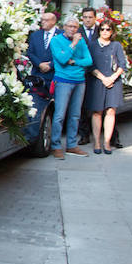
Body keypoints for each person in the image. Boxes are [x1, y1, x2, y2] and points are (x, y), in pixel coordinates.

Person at [49, 16, 93, 159]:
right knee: (60, 115)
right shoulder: (56, 40)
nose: (72, 29)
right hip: (63, 81)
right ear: (64, 27)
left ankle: (72, 145)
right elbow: (61, 60)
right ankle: (55, 146)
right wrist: (73, 44)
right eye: (69, 26)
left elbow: (89, 60)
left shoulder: (82, 42)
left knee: (75, 115)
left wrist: (74, 62)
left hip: (80, 81)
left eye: (75, 27)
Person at [87, 22, 127, 154]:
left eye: (108, 29)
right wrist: (103, 78)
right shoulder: (92, 45)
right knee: (97, 111)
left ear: (112, 31)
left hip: (113, 81)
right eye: (102, 29)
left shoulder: (116, 45)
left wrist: (112, 78)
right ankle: (97, 142)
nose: (105, 31)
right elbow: (89, 65)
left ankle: (107, 142)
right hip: (97, 81)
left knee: (111, 111)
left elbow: (122, 64)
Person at [77, 8, 99, 146]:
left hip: (99, 71)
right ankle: (84, 135)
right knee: (83, 106)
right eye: (85, 17)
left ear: (95, 18)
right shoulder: (77, 32)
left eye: (90, 17)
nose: (87, 19)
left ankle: (113, 136)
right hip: (83, 72)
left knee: (101, 105)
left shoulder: (102, 30)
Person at [26, 12, 60, 85]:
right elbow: (30, 52)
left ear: (54, 21)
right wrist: (40, 64)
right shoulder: (35, 35)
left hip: (55, 75)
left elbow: (63, 54)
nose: (43, 22)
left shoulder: (61, 35)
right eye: (42, 20)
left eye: (46, 20)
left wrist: (50, 65)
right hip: (38, 74)